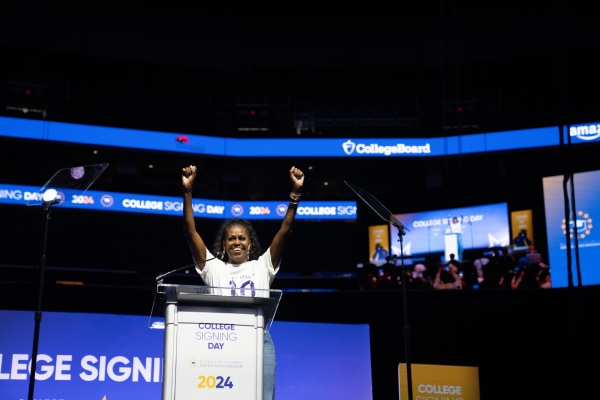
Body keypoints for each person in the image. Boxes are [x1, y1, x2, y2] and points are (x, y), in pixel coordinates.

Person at [182, 164, 305, 400]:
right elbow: (190, 232)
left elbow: (285, 231)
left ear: (249, 243)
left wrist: (295, 196)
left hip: (260, 340)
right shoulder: (213, 267)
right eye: (231, 238)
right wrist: (187, 191)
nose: (236, 242)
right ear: (224, 243)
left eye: (241, 238)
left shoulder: (263, 265)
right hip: (222, 341)